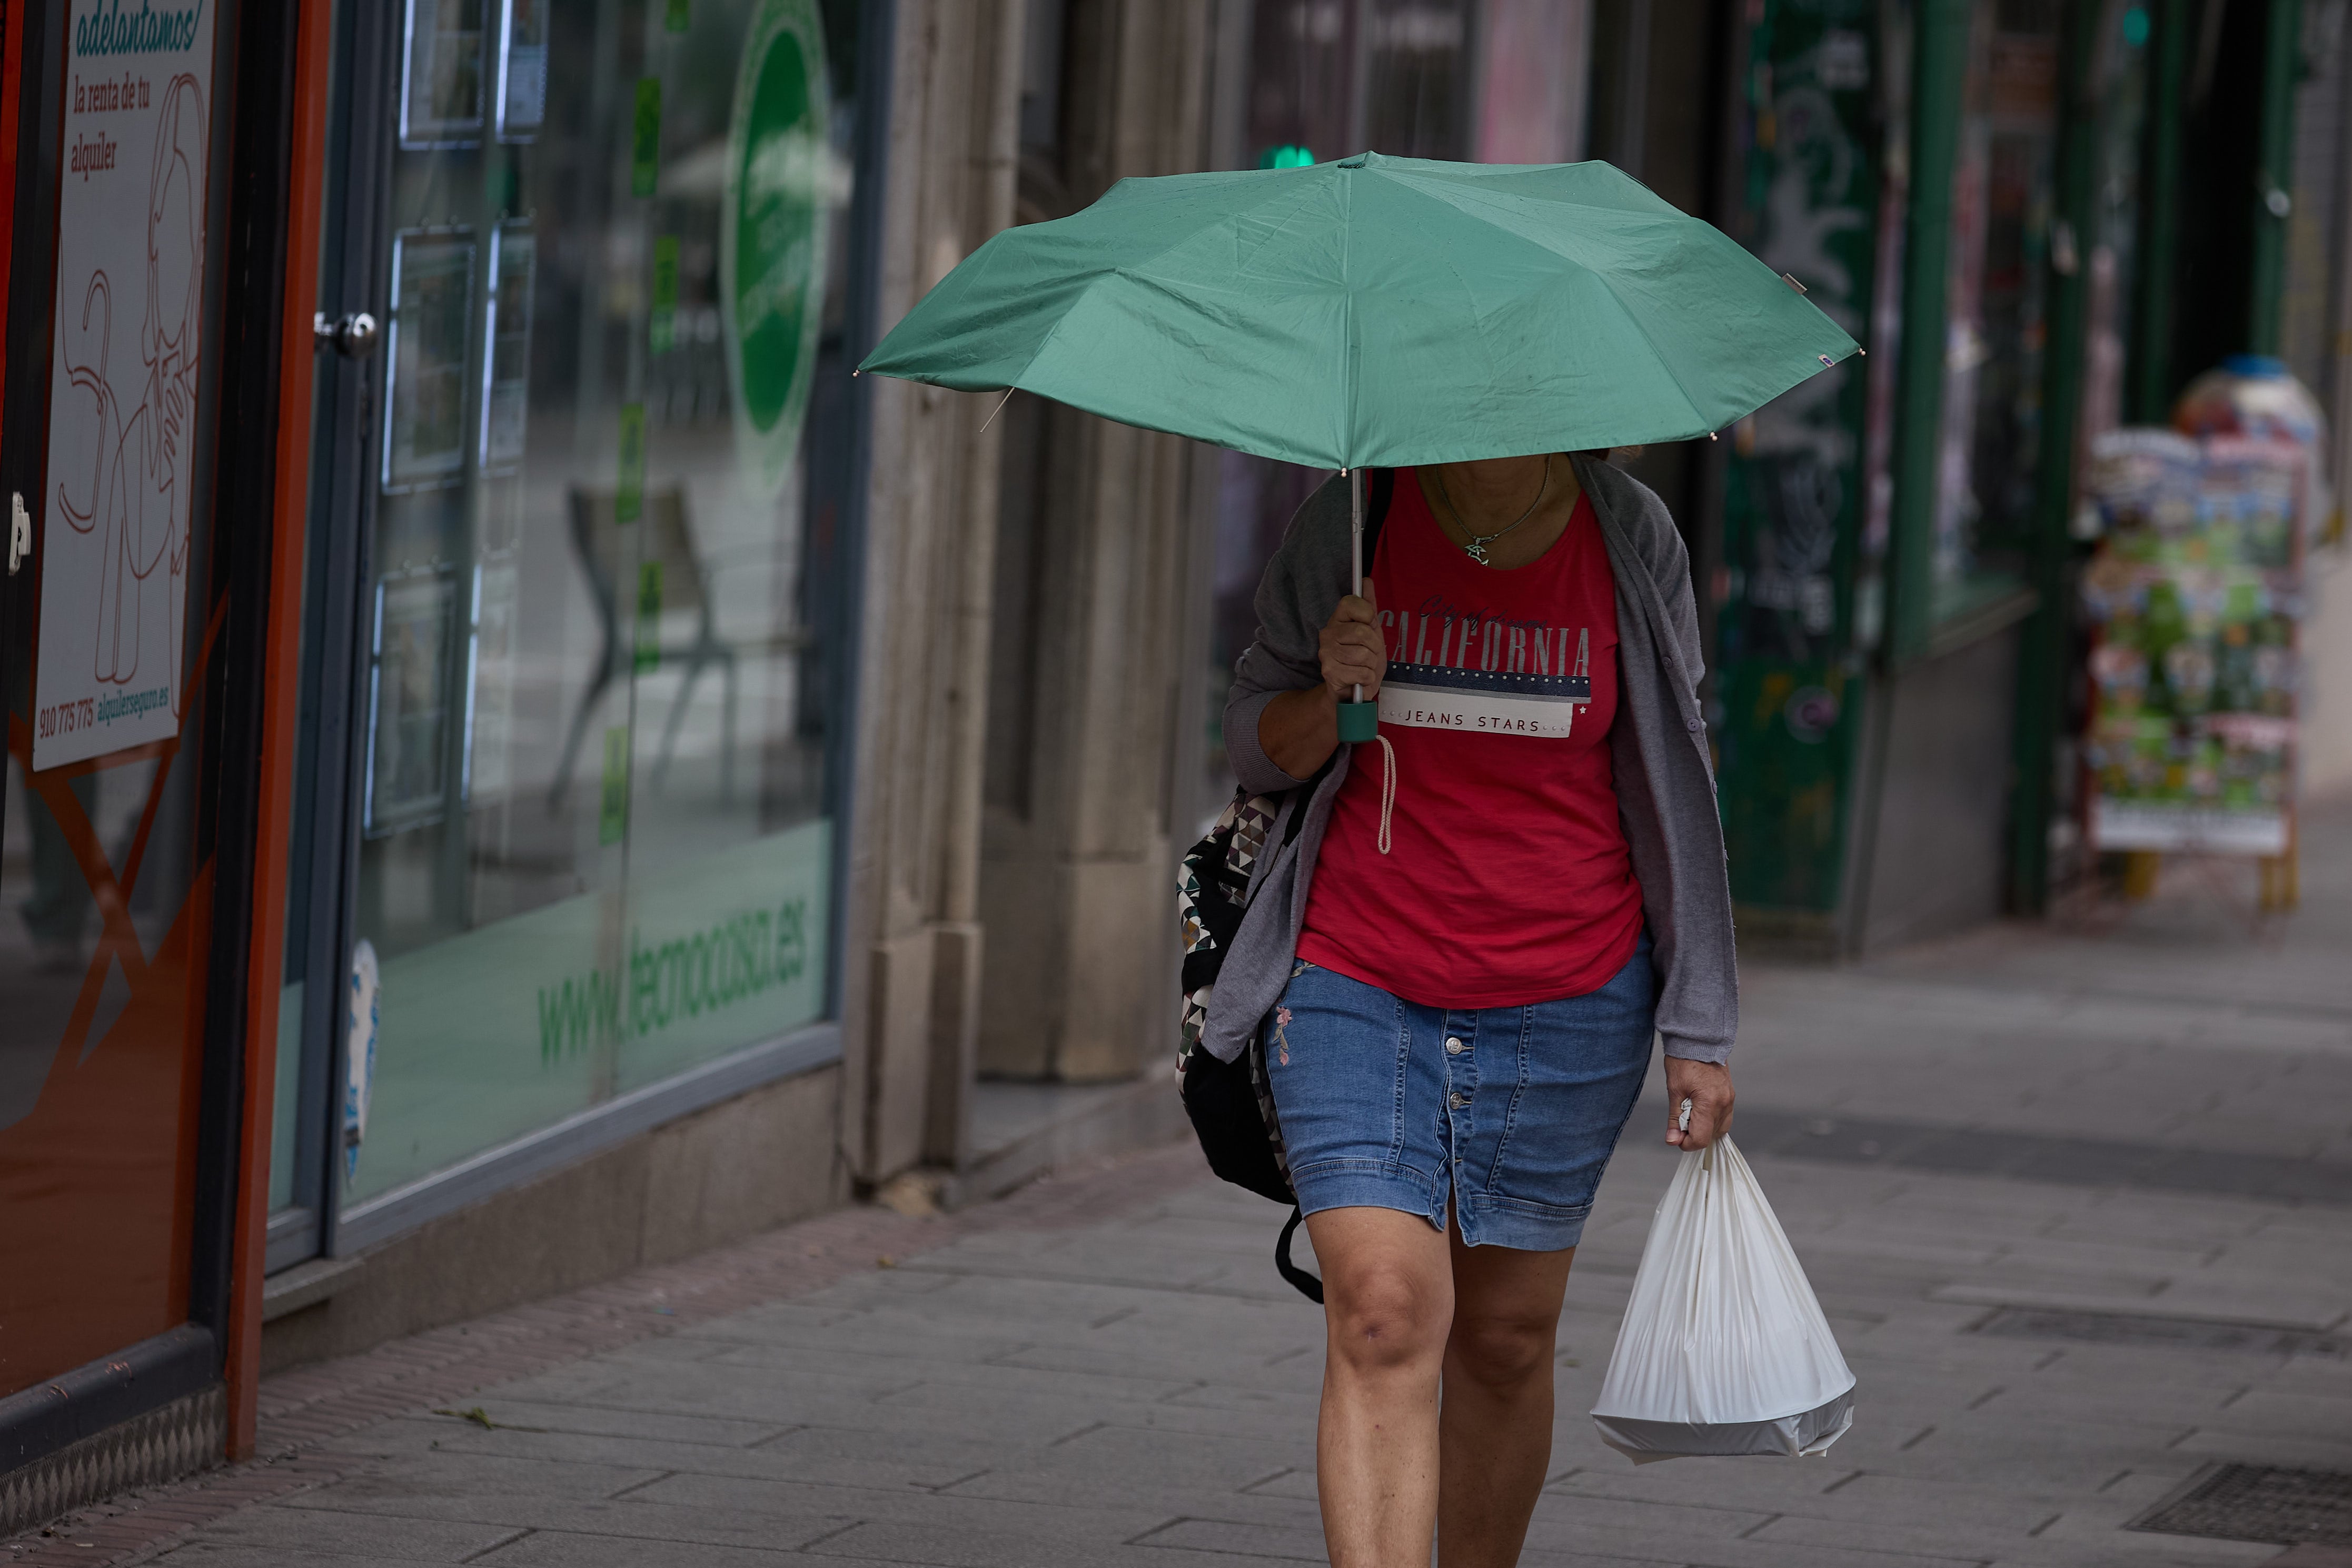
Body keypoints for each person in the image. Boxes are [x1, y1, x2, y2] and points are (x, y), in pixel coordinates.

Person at [1210, 450, 1738, 1568]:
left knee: (1501, 1339)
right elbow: (1254, 744)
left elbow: (1676, 774)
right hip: (1354, 971)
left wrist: (1698, 1023)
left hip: (1570, 990)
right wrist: (1329, 696)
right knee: (1382, 1312)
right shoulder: (1352, 523)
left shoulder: (1628, 536)